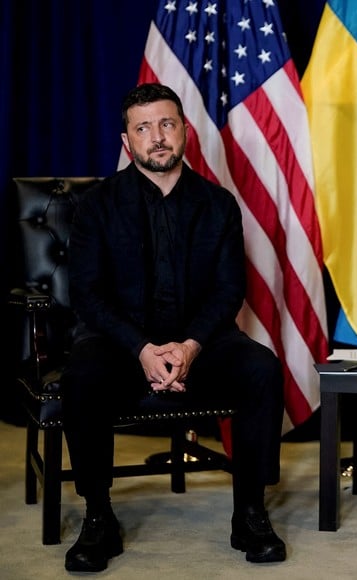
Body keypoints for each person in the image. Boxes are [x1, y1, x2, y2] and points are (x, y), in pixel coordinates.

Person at [61, 83, 287, 572]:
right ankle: (98, 516)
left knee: (262, 369)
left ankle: (250, 513)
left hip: (201, 343)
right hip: (120, 345)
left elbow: (228, 291)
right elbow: (88, 295)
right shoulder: (97, 205)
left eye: (166, 124)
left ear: (184, 130)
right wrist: (143, 348)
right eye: (143, 128)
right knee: (82, 375)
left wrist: (189, 347)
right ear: (127, 142)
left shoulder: (219, 204)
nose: (157, 137)